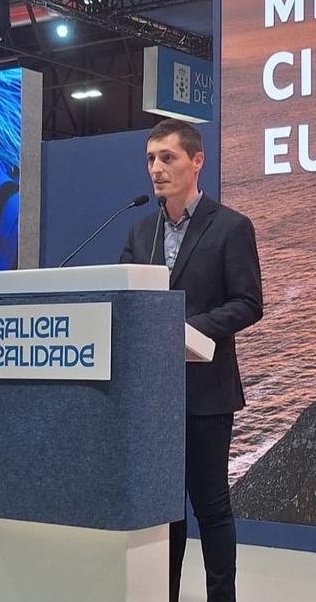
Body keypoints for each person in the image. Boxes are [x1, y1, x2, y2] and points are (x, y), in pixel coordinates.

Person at [119, 118, 263, 602]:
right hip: (153, 395)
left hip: (205, 391)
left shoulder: (230, 227)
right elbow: (125, 298)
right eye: (150, 159)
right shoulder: (142, 232)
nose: (156, 169)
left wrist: (190, 329)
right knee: (166, 510)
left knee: (211, 507)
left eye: (167, 158)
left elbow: (248, 302)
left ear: (197, 161)